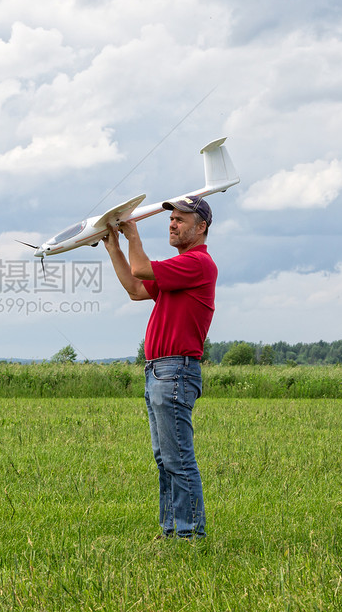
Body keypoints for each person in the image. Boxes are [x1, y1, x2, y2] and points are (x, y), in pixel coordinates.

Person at [103, 195, 216, 539]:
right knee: (166, 458)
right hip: (159, 372)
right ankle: (172, 529)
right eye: (171, 219)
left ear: (201, 228)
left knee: (178, 457)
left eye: (181, 220)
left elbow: (141, 270)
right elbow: (137, 288)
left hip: (174, 372)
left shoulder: (197, 263)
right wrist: (113, 247)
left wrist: (132, 233)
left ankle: (189, 534)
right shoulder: (179, 267)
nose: (172, 223)